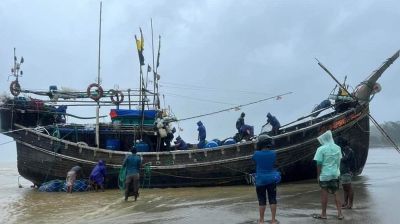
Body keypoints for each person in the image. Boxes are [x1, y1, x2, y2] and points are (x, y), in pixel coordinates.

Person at [312, 130, 343, 220]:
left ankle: (324, 214)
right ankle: (340, 214)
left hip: (325, 175)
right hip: (335, 174)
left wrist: (318, 176)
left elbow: (319, 163)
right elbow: (338, 161)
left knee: (324, 194)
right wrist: (337, 172)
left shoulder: (320, 149)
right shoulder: (338, 148)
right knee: (336, 193)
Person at [253, 135, 280, 224]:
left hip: (260, 180)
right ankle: (273, 220)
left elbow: (254, 161)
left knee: (262, 200)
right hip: (272, 179)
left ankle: (261, 220)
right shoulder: (273, 153)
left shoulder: (256, 154)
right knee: (272, 199)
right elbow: (275, 164)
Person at [337, 137, 356, 209]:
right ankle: (345, 202)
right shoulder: (343, 150)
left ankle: (350, 204)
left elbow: (346, 159)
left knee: (349, 187)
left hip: (347, 171)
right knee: (345, 187)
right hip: (343, 171)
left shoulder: (348, 150)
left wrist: (339, 158)